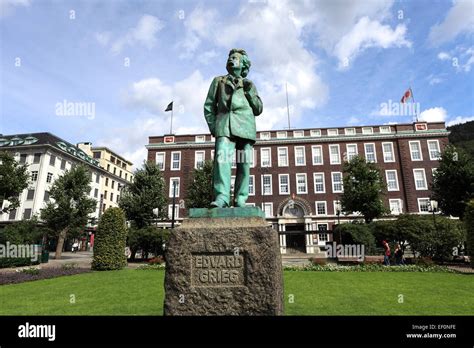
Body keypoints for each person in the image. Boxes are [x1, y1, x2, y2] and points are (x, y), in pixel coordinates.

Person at [204, 48, 263, 208]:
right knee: (221, 160)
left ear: (243, 64)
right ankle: (222, 197)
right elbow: (209, 106)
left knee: (244, 164)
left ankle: (240, 198)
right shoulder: (218, 81)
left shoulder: (250, 85)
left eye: (235, 58)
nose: (231, 60)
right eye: (230, 57)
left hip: (245, 127)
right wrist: (214, 126)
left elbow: (258, 109)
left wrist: (250, 92)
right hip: (224, 126)